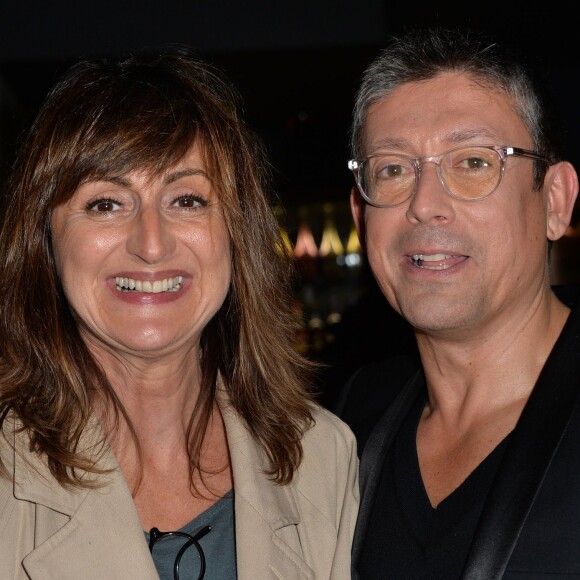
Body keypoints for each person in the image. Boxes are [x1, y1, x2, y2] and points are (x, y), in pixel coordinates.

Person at [0, 50, 359, 580]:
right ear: (45, 243)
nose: (151, 244)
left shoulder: (324, 457)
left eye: (187, 199)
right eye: (106, 203)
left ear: (237, 233)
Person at [336, 26, 580, 579]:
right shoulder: (350, 424)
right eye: (392, 170)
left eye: (473, 162)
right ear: (360, 216)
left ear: (555, 202)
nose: (425, 205)